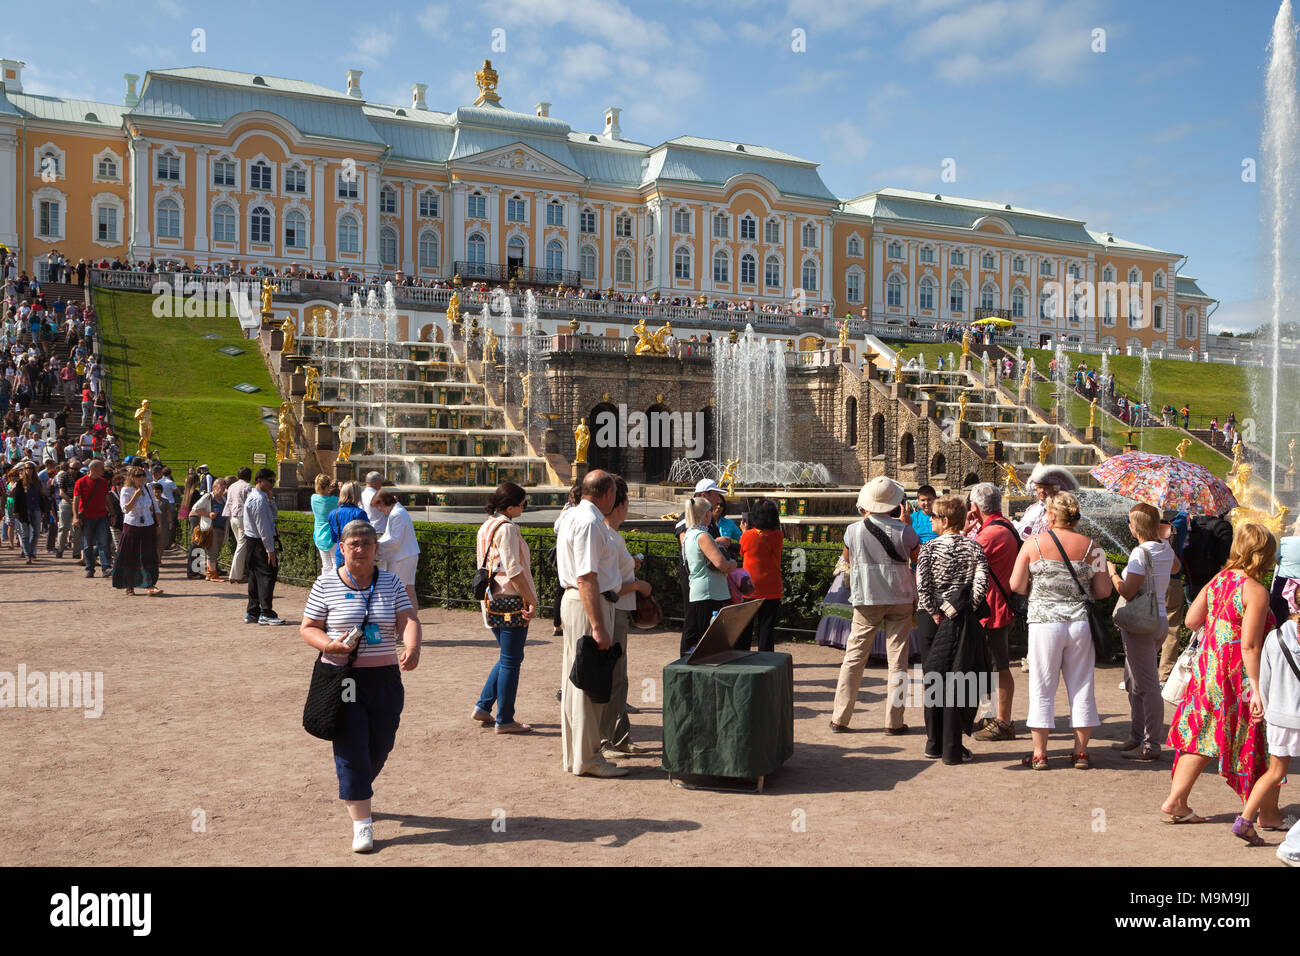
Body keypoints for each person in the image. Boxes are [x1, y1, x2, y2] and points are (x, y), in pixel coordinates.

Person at [299, 519, 421, 853]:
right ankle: (362, 825)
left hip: (384, 678)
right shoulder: (325, 584)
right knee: (352, 747)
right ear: (341, 547)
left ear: (376, 548)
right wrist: (329, 645)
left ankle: (357, 788)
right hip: (345, 679)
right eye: (353, 543)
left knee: (380, 745)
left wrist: (412, 646)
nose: (360, 548)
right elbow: (308, 627)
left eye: (366, 543)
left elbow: (408, 619)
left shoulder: (391, 582)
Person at [1163, 524, 1286, 825]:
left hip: (1208, 670)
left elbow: (1192, 620)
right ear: (1265, 555)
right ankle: (1268, 813)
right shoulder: (1255, 590)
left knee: (1201, 736)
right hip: (1237, 676)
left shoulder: (1220, 579)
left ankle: (1176, 801)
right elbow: (1251, 644)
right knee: (1259, 739)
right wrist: (1257, 689)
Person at [1009, 491, 1111, 770]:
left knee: (1042, 686)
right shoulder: (1095, 547)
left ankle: (1040, 753)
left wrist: (1041, 589)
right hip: (1079, 623)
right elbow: (1103, 591)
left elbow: (1016, 584)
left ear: (1052, 516)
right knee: (1082, 686)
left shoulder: (1033, 544)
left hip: (1044, 622)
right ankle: (1080, 753)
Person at [830, 477, 921, 734]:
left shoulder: (852, 530)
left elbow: (847, 558)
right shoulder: (905, 530)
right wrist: (906, 526)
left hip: (867, 597)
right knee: (898, 661)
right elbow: (918, 558)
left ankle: (840, 717)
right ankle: (894, 721)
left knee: (854, 658)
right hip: (900, 597)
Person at [555, 469, 627, 778]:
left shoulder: (574, 516)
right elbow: (586, 577)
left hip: (580, 601)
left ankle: (577, 756)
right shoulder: (589, 523)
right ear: (607, 494)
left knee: (576, 680)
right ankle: (587, 758)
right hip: (590, 602)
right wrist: (598, 626)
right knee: (589, 681)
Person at [915, 494, 990, 764]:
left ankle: (933, 742)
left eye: (933, 516)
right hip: (961, 620)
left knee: (933, 677)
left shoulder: (929, 548)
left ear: (945, 520)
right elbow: (982, 586)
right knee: (959, 679)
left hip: (930, 619)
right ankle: (952, 746)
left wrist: (935, 611)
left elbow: (922, 585)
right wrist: (962, 608)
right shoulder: (974, 548)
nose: (930, 519)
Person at [1109, 503, 1178, 761]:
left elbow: (1127, 591)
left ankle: (1151, 744)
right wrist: (1164, 538)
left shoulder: (1140, 552)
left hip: (1141, 624)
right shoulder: (1165, 548)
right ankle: (1137, 737)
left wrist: (1113, 574)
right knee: (1134, 682)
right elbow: (1175, 568)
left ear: (1135, 527)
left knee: (1147, 686)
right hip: (1158, 620)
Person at [1234, 589, 1300, 847]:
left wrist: (1267, 710)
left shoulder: (1275, 637)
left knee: (1274, 772)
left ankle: (1246, 820)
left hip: (1278, 717)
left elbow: (1265, 680)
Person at [473, 482, 538, 735]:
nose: (525, 507)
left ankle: (483, 706)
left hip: (491, 598)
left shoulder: (486, 525)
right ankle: (505, 719)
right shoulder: (508, 529)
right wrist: (531, 600)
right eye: (523, 503)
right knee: (511, 661)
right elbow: (514, 570)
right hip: (510, 598)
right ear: (510, 507)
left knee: (509, 657)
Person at [601, 475, 653, 756]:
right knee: (614, 677)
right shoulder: (609, 536)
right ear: (619, 505)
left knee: (619, 677)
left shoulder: (614, 536)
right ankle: (608, 738)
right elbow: (609, 585)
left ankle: (618, 736)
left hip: (619, 612)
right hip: (615, 611)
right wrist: (638, 585)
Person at [966, 483, 1021, 742]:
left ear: (975, 508)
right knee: (990, 666)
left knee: (999, 666)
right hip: (995, 606)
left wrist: (964, 529)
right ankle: (994, 716)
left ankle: (1003, 721)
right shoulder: (1003, 526)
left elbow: (964, 561)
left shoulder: (989, 535)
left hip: (994, 609)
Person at [680, 495, 737, 656]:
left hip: (701, 590)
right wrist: (733, 564)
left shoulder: (690, 534)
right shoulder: (702, 536)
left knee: (698, 639)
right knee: (708, 642)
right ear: (706, 514)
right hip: (709, 592)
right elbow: (721, 564)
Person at [738, 498, 784, 652]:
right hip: (772, 587)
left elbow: (741, 551)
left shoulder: (748, 535)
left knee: (745, 626)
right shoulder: (779, 535)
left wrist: (744, 532)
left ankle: (743, 655)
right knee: (766, 628)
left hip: (750, 587)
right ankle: (766, 659)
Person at [242, 467, 287, 626]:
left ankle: (253, 611)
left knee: (255, 577)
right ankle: (266, 612)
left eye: (273, 480)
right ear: (259, 481)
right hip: (259, 543)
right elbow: (264, 528)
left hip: (255, 542)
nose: (272, 484)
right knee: (268, 576)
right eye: (270, 480)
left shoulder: (261, 497)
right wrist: (270, 550)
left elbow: (273, 515)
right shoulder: (258, 500)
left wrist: (271, 498)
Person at [112, 466, 163, 596]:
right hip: (132, 526)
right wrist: (135, 495)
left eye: (142, 475)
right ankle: (129, 585)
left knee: (149, 556)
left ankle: (150, 585)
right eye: (138, 476)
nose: (141, 478)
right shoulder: (126, 490)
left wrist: (159, 524)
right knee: (130, 557)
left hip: (148, 525)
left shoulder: (148, 488)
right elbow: (125, 509)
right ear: (132, 477)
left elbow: (155, 507)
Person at [372, 491, 420, 610]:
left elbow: (395, 541)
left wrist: (376, 548)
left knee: (394, 592)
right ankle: (413, 621)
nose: (380, 510)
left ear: (383, 502)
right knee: (409, 591)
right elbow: (390, 536)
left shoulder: (396, 514)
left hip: (401, 558)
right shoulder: (398, 511)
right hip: (409, 555)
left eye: (379, 507)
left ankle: (399, 624)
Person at [1158, 511, 1191, 683]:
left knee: (1143, 626)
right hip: (1173, 579)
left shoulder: (1149, 517)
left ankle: (1139, 672)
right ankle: (1164, 675)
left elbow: (1131, 522)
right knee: (1171, 628)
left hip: (1150, 577)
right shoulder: (1181, 519)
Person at [1016, 464, 1079, 541]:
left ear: (1053, 489)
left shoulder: (1060, 509)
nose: (1042, 491)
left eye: (1046, 488)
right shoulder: (1032, 508)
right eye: (1039, 487)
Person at [73, 458, 113, 578]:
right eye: (102, 468)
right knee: (87, 544)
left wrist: (113, 513)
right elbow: (75, 501)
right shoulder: (80, 482)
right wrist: (75, 517)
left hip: (102, 516)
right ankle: (90, 568)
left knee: (103, 543)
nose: (103, 471)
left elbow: (107, 500)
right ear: (93, 469)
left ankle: (105, 567)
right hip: (87, 517)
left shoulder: (104, 482)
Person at [189, 478, 228, 581]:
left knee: (215, 551)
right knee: (212, 551)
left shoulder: (224, 499)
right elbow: (195, 508)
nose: (223, 488)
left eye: (224, 486)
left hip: (221, 528)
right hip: (211, 528)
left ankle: (208, 573)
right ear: (214, 487)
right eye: (221, 486)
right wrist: (208, 515)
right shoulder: (208, 496)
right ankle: (213, 575)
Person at [10, 461, 48, 564]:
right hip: (24, 510)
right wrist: (16, 511)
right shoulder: (20, 483)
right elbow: (17, 498)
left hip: (36, 509)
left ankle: (31, 552)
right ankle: (28, 555)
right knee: (25, 534)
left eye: (30, 468)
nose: (28, 470)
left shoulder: (37, 482)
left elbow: (41, 497)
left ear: (34, 470)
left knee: (36, 533)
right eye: (26, 468)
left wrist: (44, 510)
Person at [1269, 514, 1300, 629]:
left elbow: (1276, 561)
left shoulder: (1286, 541)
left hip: (1284, 586)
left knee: (1279, 618)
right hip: (1298, 591)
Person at [224, 467, 253, 584]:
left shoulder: (232, 486)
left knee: (241, 546)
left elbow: (229, 502)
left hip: (233, 517)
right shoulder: (248, 487)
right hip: (242, 518)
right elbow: (250, 504)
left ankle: (240, 573)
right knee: (242, 546)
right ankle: (235, 575)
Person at [328, 481, 367, 568]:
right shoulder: (360, 513)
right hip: (357, 555)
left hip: (340, 553)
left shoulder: (333, 513)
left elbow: (334, 538)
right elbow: (367, 537)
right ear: (357, 494)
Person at [310, 474, 339, 571]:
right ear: (327, 486)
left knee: (326, 565)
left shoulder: (313, 498)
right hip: (332, 535)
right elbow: (342, 501)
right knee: (335, 564)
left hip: (319, 535)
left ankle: (324, 585)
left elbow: (322, 494)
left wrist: (328, 489)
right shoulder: (334, 500)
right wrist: (340, 488)